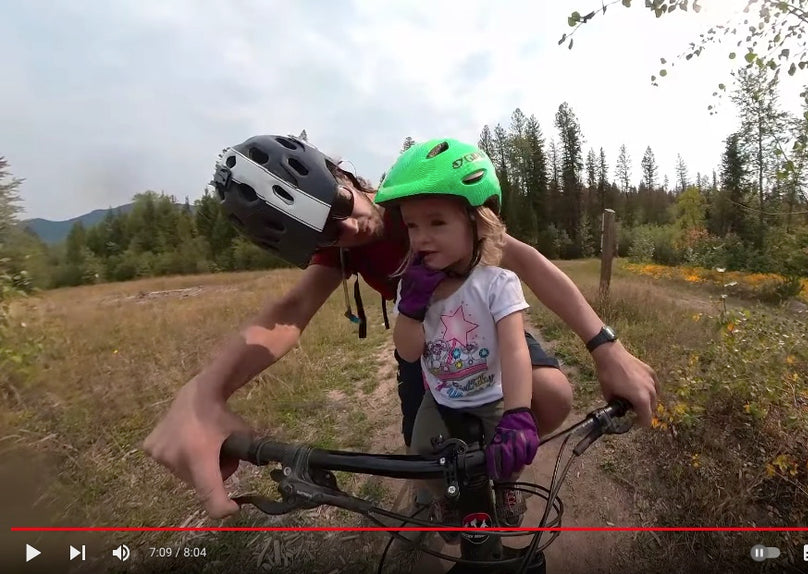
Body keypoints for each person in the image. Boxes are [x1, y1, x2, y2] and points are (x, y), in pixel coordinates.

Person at [143, 133, 659, 520]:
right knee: (424, 447)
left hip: (482, 321)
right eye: (322, 231)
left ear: (342, 176)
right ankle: (455, 482)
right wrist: (204, 391)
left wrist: (605, 347)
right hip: (426, 342)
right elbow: (289, 312)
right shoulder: (340, 251)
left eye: (339, 205)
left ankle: (503, 471)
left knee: (550, 393)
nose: (346, 227)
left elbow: (530, 264)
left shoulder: (413, 200)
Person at [377, 138, 539, 530]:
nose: (421, 237)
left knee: (507, 456)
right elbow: (409, 353)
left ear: (477, 222)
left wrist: (518, 414)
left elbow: (516, 350)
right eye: (412, 225)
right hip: (442, 398)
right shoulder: (413, 288)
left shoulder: (498, 283)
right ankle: (444, 500)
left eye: (436, 222)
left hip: (492, 397)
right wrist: (412, 310)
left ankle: (506, 488)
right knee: (421, 454)